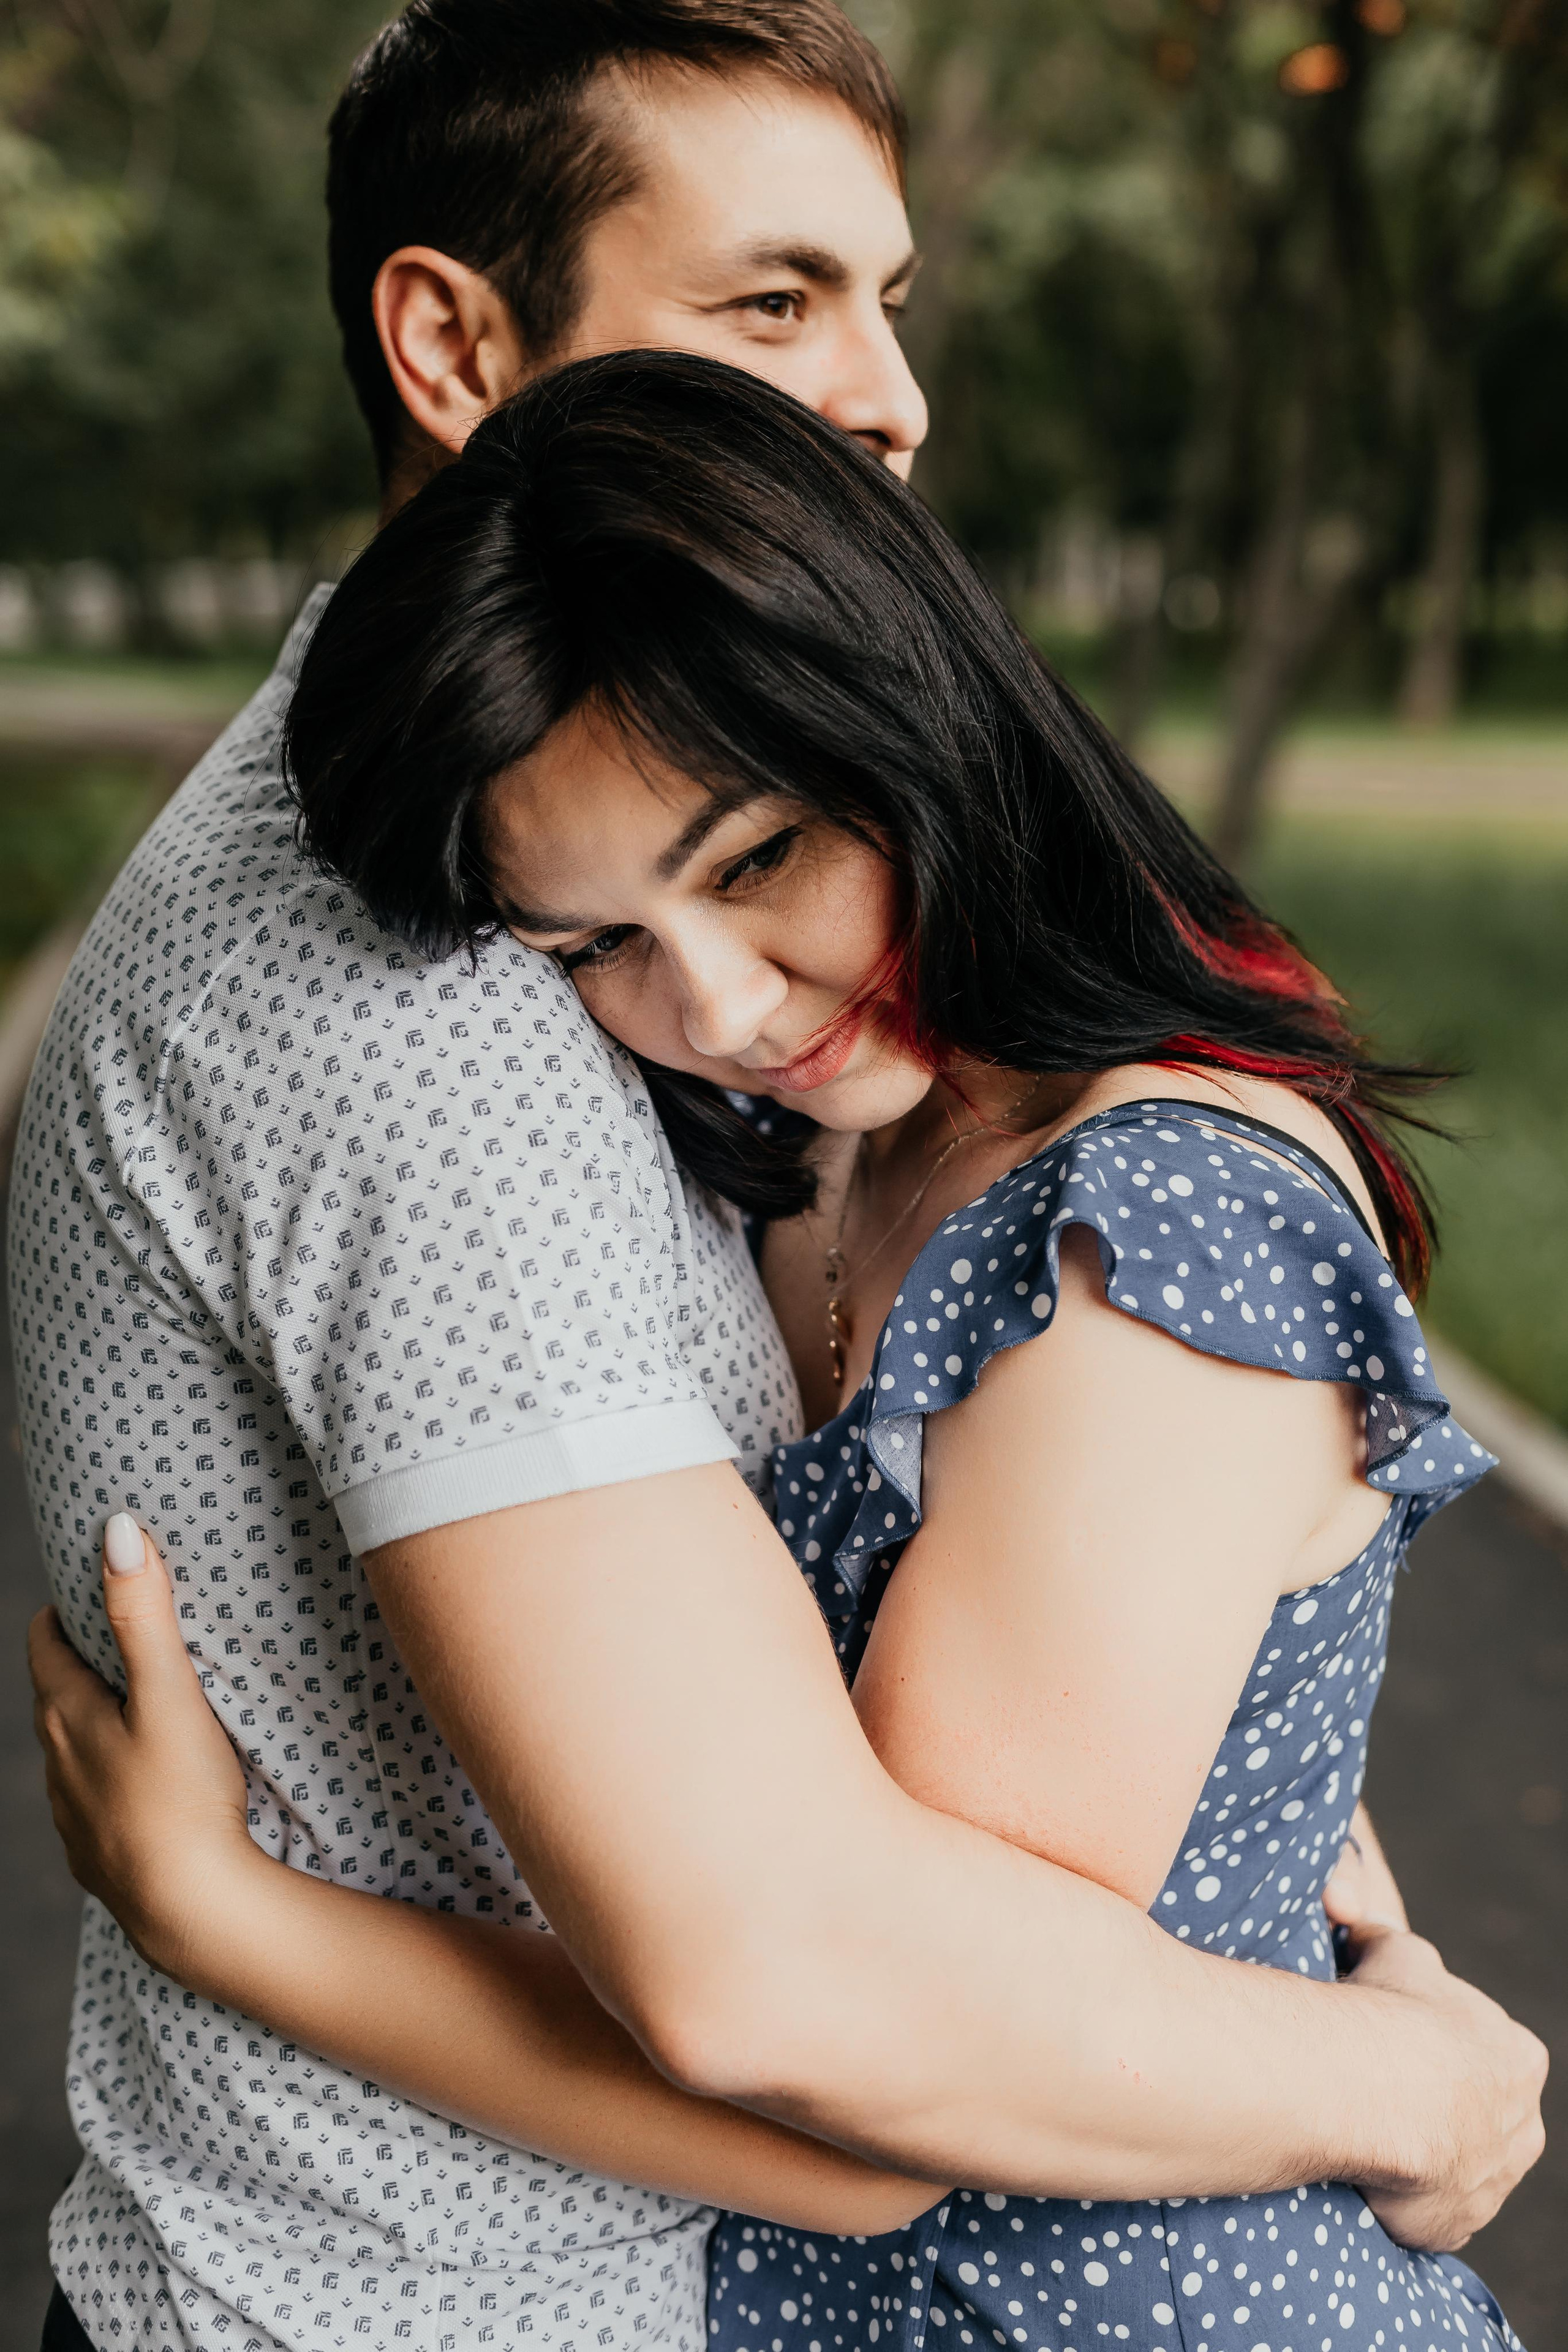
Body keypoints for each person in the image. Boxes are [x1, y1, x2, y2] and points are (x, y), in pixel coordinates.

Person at [14, 4, 1542, 2348]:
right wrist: (1381, 2067)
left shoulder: (1084, 1191)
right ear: (452, 342)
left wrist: (1381, 2036)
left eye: (887, 301)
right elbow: (823, 1981)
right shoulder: (438, 1002)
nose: (885, 392)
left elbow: (880, 1997)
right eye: (769, 302)